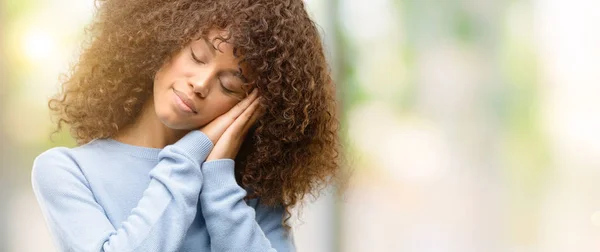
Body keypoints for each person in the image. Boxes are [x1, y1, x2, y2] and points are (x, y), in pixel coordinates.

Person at [31, 0, 343, 251]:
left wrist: (220, 183)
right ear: (163, 41)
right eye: (197, 56)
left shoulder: (249, 194)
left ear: (248, 107)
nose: (201, 84)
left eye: (230, 85)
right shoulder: (66, 171)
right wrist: (190, 153)